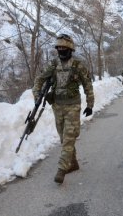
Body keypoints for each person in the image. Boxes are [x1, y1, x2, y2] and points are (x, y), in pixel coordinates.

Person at [32, 34, 94, 184]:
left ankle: (62, 169)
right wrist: (37, 96)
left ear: (70, 49)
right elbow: (39, 79)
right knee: (63, 137)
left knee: (68, 138)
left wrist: (90, 104)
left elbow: (87, 85)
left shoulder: (78, 65)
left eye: (64, 48)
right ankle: (73, 163)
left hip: (73, 105)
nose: (61, 50)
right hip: (57, 106)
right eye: (58, 48)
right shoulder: (53, 64)